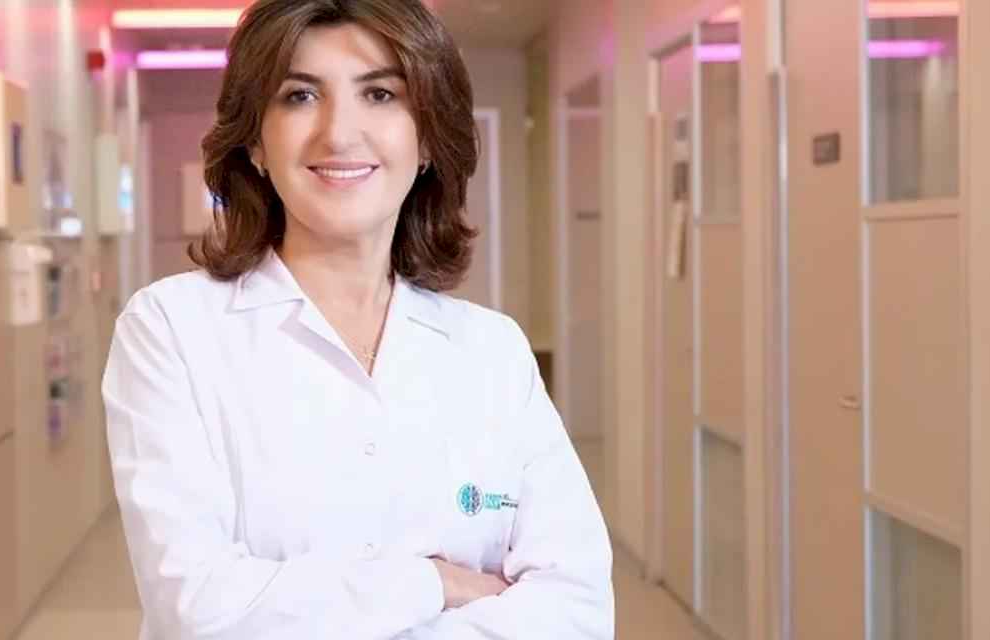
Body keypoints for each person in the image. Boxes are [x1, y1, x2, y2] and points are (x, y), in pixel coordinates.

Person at [102, 0, 614, 637]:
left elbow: (576, 608)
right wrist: (434, 583)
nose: (340, 134)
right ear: (256, 142)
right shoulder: (171, 330)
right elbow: (198, 609)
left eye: (380, 94)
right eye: (300, 96)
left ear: (426, 141)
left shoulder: (494, 352)